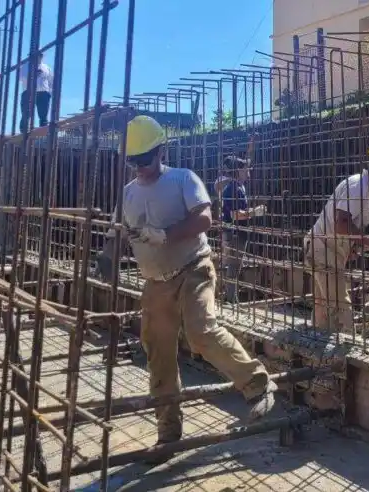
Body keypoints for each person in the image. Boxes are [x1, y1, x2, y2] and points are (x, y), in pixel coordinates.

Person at [95, 116, 275, 448]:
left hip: (193, 268)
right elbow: (115, 234)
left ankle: (258, 384)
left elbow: (205, 218)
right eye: (133, 161)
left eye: (145, 159)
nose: (140, 167)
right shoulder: (128, 194)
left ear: (161, 151)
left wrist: (164, 234)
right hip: (155, 283)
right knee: (158, 353)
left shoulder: (183, 179)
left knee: (201, 331)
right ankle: (169, 431)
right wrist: (107, 257)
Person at [303, 140, 369, 333]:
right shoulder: (360, 186)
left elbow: (349, 227)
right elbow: (341, 224)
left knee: (323, 312)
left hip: (328, 251)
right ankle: (345, 357)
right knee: (342, 312)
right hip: (323, 251)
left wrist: (355, 248)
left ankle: (321, 355)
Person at [218, 155, 266, 302]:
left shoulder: (238, 187)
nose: (249, 172)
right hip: (234, 233)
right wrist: (255, 211)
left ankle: (230, 297)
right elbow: (235, 215)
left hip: (239, 232)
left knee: (236, 266)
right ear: (238, 170)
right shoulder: (232, 189)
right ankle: (231, 299)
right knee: (233, 266)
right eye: (246, 169)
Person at [19, 52, 54, 133]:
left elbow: (51, 81)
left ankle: (43, 132)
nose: (39, 57)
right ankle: (23, 132)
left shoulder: (46, 67)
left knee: (43, 114)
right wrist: (33, 75)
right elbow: (21, 78)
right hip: (29, 91)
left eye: (40, 55)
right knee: (26, 113)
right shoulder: (26, 66)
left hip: (43, 93)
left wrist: (50, 93)